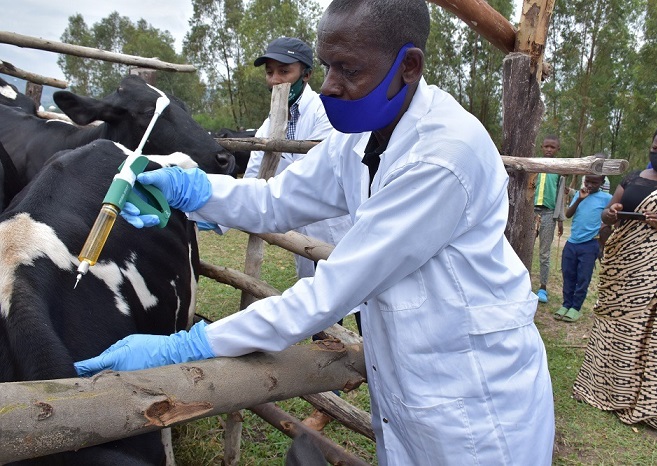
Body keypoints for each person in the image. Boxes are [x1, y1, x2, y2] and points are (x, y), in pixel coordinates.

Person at [75, 0, 556, 463]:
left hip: (474, 399)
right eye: (326, 66)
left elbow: (331, 292)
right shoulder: (360, 135)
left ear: (409, 66)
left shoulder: (442, 156)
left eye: (348, 70)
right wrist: (194, 192)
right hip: (416, 383)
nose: (329, 86)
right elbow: (276, 200)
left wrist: (189, 344)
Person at [245, 36, 356, 431]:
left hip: (342, 231)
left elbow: (319, 175)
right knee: (328, 315)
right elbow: (257, 169)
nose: (275, 79)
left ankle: (340, 395)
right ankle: (330, 398)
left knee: (359, 314)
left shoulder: (325, 112)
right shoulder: (274, 119)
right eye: (270, 72)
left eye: (284, 71)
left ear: (306, 74)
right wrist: (211, 216)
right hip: (309, 237)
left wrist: (269, 194)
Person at [572, 123, 657, 430]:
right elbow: (607, 216)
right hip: (622, 270)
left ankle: (645, 404)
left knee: (651, 339)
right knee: (616, 332)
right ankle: (604, 391)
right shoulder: (633, 178)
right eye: (656, 147)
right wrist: (610, 213)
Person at [554, 175, 612, 322]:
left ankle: (576, 308)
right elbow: (568, 214)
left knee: (583, 277)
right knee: (568, 274)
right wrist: (579, 198)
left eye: (595, 182)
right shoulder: (580, 194)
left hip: (590, 244)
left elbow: (611, 217)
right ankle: (566, 304)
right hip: (572, 243)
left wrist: (604, 230)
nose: (590, 185)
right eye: (588, 182)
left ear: (602, 182)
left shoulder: (606, 198)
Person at [533, 135, 567, 303]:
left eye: (552, 147)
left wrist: (560, 220)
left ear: (557, 149)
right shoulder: (534, 165)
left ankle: (543, 287)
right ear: (541, 146)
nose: (548, 149)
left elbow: (560, 196)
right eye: (546, 146)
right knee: (525, 248)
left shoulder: (559, 170)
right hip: (530, 212)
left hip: (548, 213)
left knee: (544, 252)